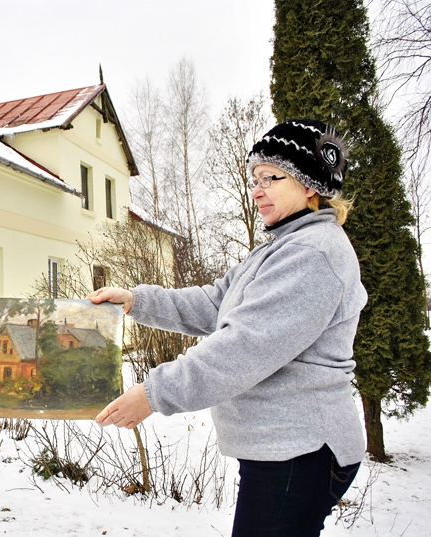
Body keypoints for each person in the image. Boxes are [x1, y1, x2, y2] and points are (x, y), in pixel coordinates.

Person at [88, 118, 367, 537]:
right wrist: (137, 301)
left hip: (302, 449)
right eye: (254, 178)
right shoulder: (280, 247)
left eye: (270, 177)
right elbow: (217, 302)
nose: (257, 189)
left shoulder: (313, 253)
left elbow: (244, 346)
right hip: (282, 447)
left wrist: (152, 394)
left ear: (310, 185)